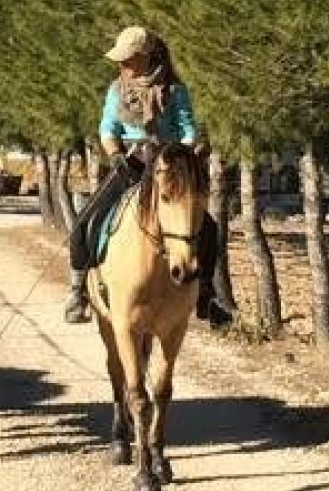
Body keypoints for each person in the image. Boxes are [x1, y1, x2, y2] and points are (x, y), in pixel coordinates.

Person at [61, 25, 233, 328]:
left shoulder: (175, 90)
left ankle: (208, 295)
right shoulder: (117, 90)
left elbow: (188, 128)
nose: (121, 65)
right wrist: (115, 154)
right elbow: (107, 129)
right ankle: (78, 293)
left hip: (168, 165)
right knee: (83, 224)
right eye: (121, 60)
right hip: (130, 163)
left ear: (146, 56)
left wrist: (179, 152)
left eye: (127, 58)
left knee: (208, 227)